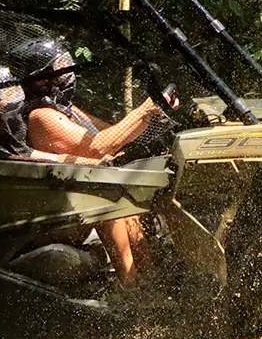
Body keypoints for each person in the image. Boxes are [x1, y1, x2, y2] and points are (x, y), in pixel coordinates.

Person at [10, 35, 173, 282]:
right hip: (52, 216)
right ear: (42, 80)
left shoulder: (65, 110)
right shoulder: (40, 116)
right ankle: (131, 290)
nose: (70, 75)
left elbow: (113, 134)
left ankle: (151, 282)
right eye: (61, 69)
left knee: (127, 203)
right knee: (106, 201)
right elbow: (96, 147)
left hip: (71, 206)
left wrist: (153, 115)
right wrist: (145, 109)